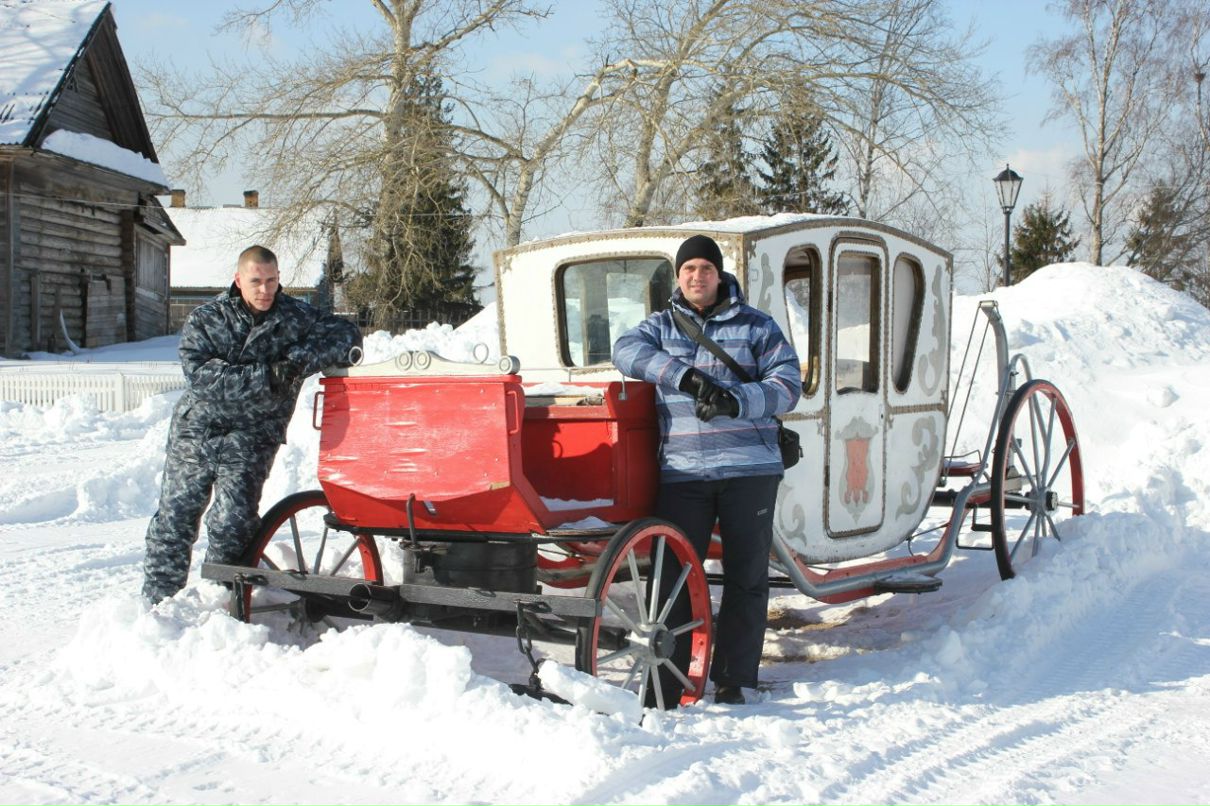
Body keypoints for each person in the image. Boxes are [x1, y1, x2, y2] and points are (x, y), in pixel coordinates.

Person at [613, 234, 801, 706]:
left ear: (720, 275)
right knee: (673, 577)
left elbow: (788, 385)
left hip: (749, 469)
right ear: (678, 278)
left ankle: (735, 679)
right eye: (688, 269)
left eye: (705, 268)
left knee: (746, 576)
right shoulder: (660, 326)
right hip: (684, 473)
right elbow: (624, 350)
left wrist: (737, 401)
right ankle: (669, 680)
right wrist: (685, 376)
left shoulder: (758, 326)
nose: (697, 277)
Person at [141, 245, 362, 605]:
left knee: (233, 522)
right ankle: (158, 608)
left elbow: (347, 336)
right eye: (256, 281)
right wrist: (267, 377)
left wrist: (295, 361)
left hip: (253, 434)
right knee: (174, 521)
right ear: (238, 280)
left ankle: (221, 602)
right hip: (198, 430)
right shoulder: (208, 318)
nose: (264, 290)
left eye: (272, 280)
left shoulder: (296, 317)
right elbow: (201, 377)